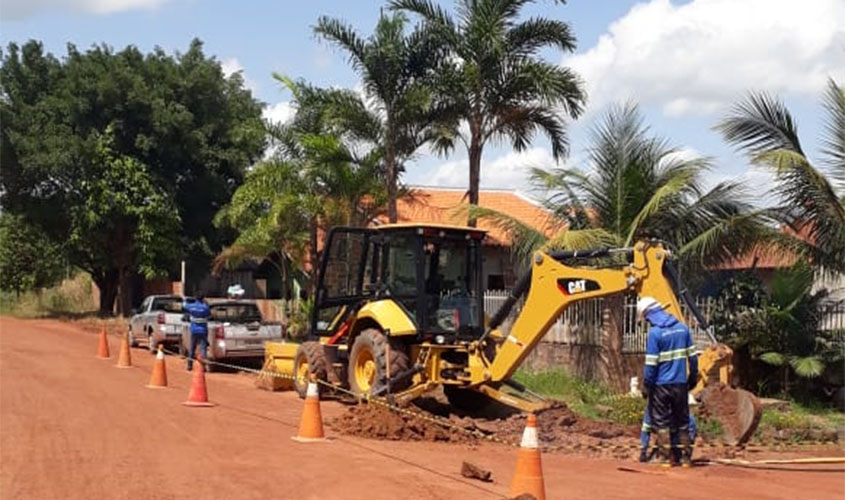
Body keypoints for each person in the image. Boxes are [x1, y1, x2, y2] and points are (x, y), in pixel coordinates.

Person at [639, 296, 698, 467]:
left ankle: (665, 459)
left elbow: (650, 365)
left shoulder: (655, 334)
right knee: (683, 421)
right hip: (680, 384)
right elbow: (693, 359)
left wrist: (647, 385)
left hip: (660, 386)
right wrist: (692, 378)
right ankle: (686, 459)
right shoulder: (683, 330)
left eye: (647, 319)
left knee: (661, 423)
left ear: (650, 316)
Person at [183, 294, 211, 371]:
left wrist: (185, 299)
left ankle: (189, 365)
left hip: (194, 330)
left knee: (192, 348)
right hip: (203, 330)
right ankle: (203, 366)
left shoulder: (191, 306)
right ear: (203, 299)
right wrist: (206, 303)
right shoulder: (205, 307)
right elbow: (209, 314)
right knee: (203, 348)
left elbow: (184, 305)